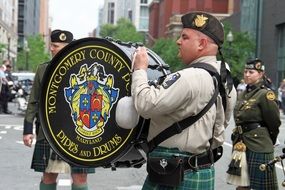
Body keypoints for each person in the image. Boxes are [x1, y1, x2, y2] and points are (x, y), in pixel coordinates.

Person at [131, 11, 236, 189]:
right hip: (201, 169)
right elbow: (221, 124)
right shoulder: (226, 81)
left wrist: (140, 70)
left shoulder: (189, 77)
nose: (178, 41)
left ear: (202, 44)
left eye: (185, 37)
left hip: (173, 173)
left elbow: (145, 105)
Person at [23, 29, 95, 190]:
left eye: (56, 46)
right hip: (50, 132)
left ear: (67, 48)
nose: (51, 48)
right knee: (48, 175)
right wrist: (28, 129)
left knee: (80, 177)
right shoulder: (43, 69)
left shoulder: (85, 71)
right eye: (52, 45)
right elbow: (33, 101)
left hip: (79, 133)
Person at [230, 58, 280, 189]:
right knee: (241, 185)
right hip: (241, 144)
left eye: (251, 72)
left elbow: (274, 121)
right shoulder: (243, 93)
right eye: (245, 71)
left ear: (261, 74)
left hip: (258, 145)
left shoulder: (265, 94)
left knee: (262, 187)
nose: (247, 75)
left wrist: (271, 139)